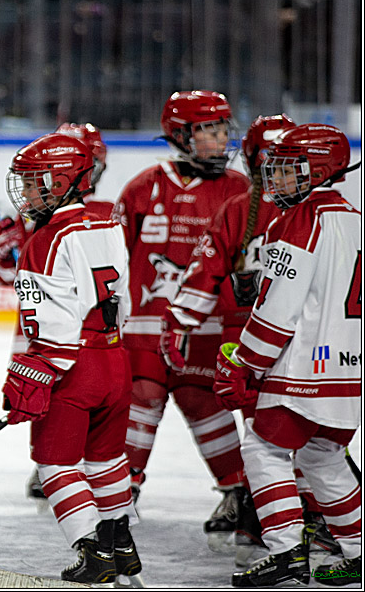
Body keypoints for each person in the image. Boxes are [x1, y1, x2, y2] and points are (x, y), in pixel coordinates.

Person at [216, 124, 361, 587]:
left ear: (318, 170)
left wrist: (246, 360)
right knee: (323, 457)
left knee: (263, 449)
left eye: (288, 169)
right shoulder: (357, 217)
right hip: (350, 372)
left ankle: (284, 554)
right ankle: (359, 553)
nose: (275, 180)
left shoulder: (298, 219)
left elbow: (278, 308)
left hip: (303, 369)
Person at [0, 133, 139, 585]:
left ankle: (92, 549)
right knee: (107, 458)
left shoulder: (45, 240)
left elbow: (54, 334)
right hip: (116, 360)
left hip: (74, 369)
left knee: (55, 462)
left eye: (31, 183)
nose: (24, 194)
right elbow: (127, 302)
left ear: (59, 181)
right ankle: (121, 542)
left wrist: (28, 379)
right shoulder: (109, 224)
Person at [113, 91, 250, 537]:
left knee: (201, 399)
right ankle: (123, 493)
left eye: (223, 128)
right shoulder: (142, 186)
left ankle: (237, 491)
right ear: (179, 134)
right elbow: (115, 258)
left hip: (207, 323)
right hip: (146, 323)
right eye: (208, 129)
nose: (221, 138)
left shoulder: (238, 190)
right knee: (144, 395)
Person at [160, 114, 295, 558]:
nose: (281, 172)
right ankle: (279, 523)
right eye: (275, 162)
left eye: (290, 163)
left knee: (293, 443)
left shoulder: (254, 208)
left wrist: (179, 320)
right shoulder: (242, 209)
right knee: (278, 441)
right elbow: (205, 274)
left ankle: (288, 525)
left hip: (285, 344)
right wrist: (178, 322)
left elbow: (203, 275)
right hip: (265, 344)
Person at [0, 122, 110, 504]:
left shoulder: (98, 218)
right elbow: (7, 277)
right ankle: (58, 467)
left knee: (79, 398)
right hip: (41, 328)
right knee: (49, 401)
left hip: (80, 334)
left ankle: (74, 469)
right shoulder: (38, 217)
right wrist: (5, 250)